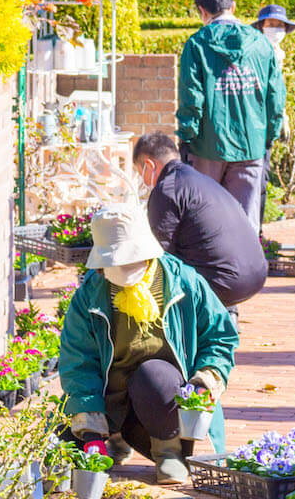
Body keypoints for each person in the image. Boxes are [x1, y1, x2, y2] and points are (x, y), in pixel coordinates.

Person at [59, 204, 238, 485]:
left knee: (152, 375)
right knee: (63, 450)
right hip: (111, 398)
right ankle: (113, 437)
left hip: (165, 404)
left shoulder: (184, 282)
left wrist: (206, 378)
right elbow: (78, 362)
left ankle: (169, 453)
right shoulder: (89, 295)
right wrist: (92, 432)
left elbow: (220, 337)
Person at [176, 0, 286, 226]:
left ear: (202, 12)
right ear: (232, 7)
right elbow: (276, 97)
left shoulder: (196, 44)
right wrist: (270, 135)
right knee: (246, 221)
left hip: (207, 145)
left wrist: (186, 136)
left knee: (205, 218)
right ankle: (247, 264)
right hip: (252, 144)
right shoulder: (261, 44)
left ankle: (209, 264)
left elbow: (191, 98)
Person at [134, 131, 268, 322]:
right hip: (257, 272)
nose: (143, 181)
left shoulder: (167, 189)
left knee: (163, 267)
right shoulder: (202, 181)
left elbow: (161, 254)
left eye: (141, 174)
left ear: (149, 165)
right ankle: (224, 313)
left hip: (227, 282)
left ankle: (192, 326)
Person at [250, 4, 295, 227]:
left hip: (267, 125)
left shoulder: (278, 54)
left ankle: (257, 233)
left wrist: (282, 119)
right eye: (271, 25)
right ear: (261, 26)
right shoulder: (256, 52)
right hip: (255, 125)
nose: (276, 29)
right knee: (255, 180)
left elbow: (277, 93)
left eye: (280, 26)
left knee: (260, 180)